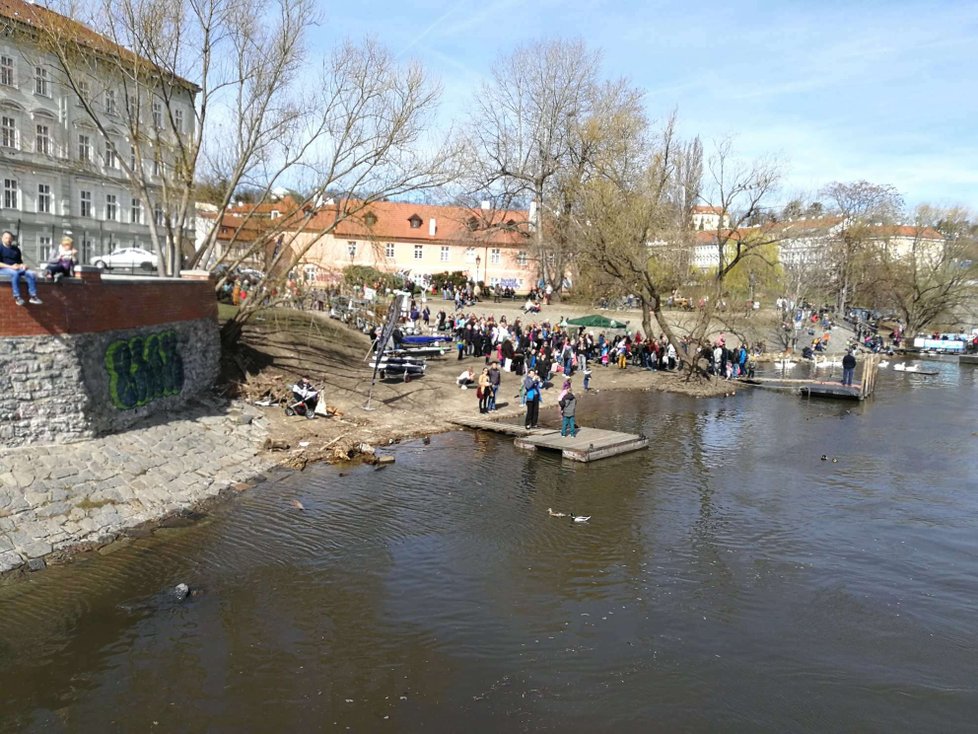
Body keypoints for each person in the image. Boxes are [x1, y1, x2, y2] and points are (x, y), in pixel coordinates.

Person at [0, 230, 42, 306]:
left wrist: (23, 265)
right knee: (14, 273)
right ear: (2, 238)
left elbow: (20, 262)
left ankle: (33, 296)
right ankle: (17, 296)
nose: (8, 240)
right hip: (4, 269)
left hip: (16, 268)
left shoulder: (16, 249)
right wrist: (11, 267)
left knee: (31, 273)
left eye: (10, 238)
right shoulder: (0, 248)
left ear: (12, 239)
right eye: (6, 238)